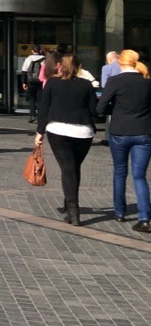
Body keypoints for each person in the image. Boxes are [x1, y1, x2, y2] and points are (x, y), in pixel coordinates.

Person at [36, 53, 98, 226]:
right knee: (74, 167)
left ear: (60, 66)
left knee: (68, 169)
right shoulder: (86, 85)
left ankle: (73, 211)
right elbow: (94, 110)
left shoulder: (52, 83)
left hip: (58, 130)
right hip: (83, 132)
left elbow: (44, 108)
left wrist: (40, 132)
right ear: (79, 67)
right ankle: (69, 206)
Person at [96, 49, 151, 231]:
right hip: (143, 132)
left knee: (120, 172)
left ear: (120, 62)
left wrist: (116, 110)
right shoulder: (147, 81)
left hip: (119, 131)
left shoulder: (115, 81)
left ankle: (119, 212)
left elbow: (100, 108)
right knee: (139, 176)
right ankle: (144, 217)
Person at [21, 45, 45, 123]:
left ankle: (32, 115)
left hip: (30, 81)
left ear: (32, 51)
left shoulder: (28, 59)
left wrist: (24, 82)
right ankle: (40, 116)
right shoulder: (44, 59)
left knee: (32, 99)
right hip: (40, 81)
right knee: (40, 99)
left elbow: (24, 71)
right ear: (40, 51)